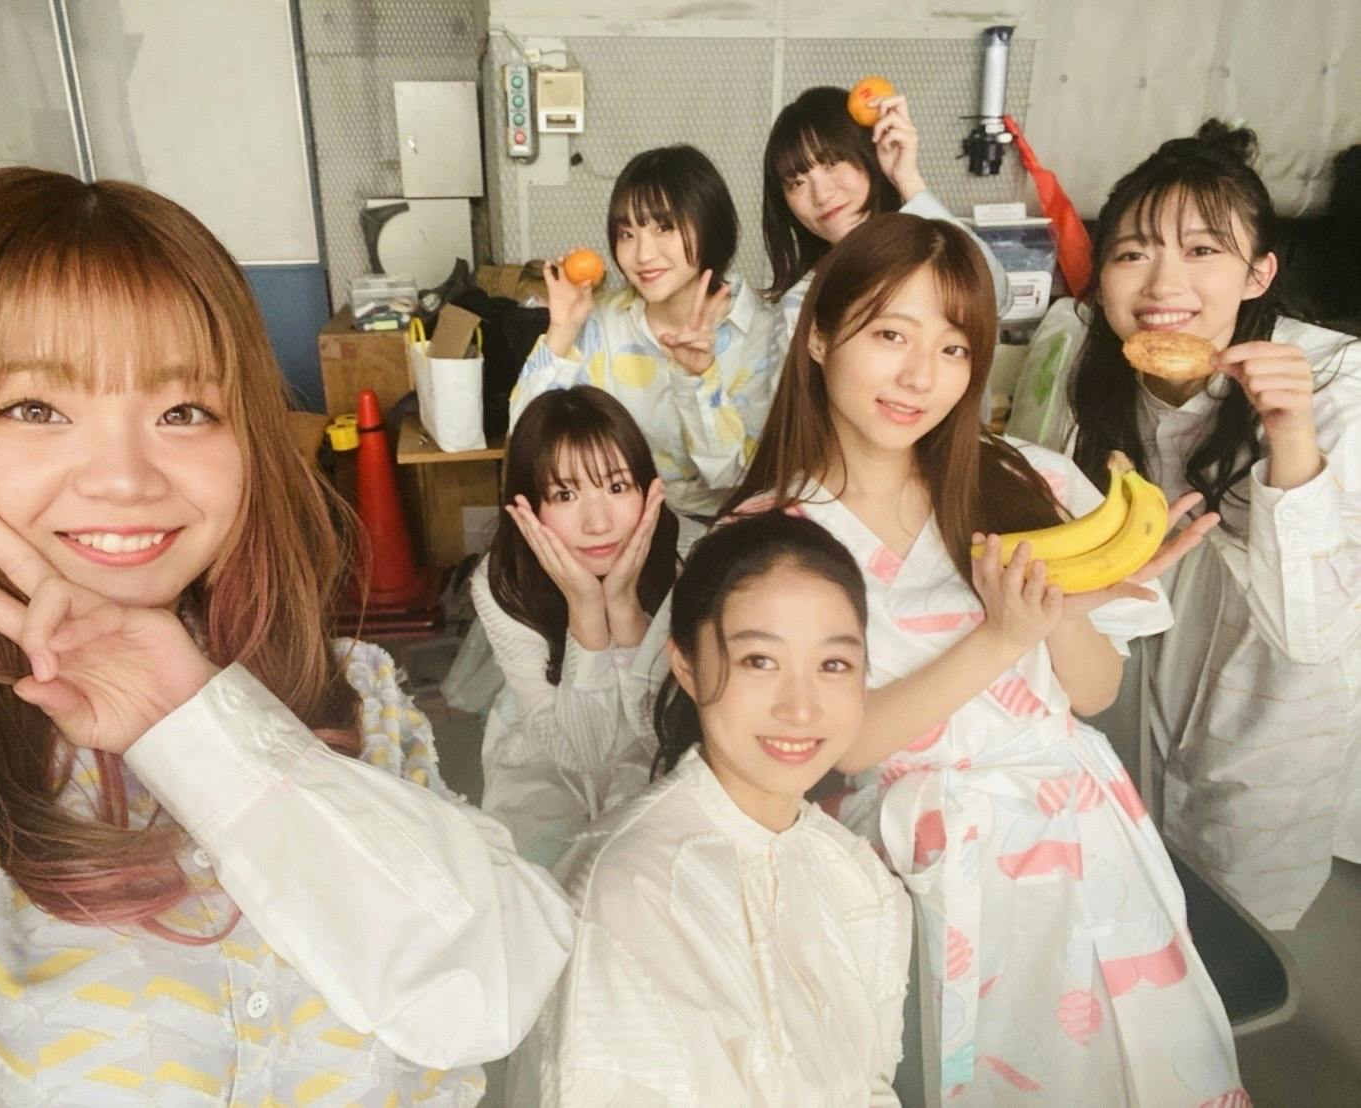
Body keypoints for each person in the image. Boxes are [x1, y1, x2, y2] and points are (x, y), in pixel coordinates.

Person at [0, 168, 573, 1103]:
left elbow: (496, 991)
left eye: (184, 412)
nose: (126, 478)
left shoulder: (356, 695)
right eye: (37, 409)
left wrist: (204, 733)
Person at [644, 212, 1242, 1103]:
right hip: (906, 866)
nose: (922, 377)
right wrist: (1003, 636)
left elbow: (1093, 691)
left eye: (955, 348)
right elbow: (839, 744)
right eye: (891, 335)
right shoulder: (768, 537)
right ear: (819, 337)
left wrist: (1059, 617)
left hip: (1080, 839)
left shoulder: (1028, 481)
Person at [1050, 120, 1360, 930]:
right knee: (1140, 894)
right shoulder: (1098, 367)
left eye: (1201, 251)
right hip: (1151, 664)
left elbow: (1314, 631)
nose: (1163, 283)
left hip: (1277, 702)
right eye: (1133, 252)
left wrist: (1291, 436)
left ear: (1259, 272)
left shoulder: (1338, 386)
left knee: (1240, 915)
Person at [510, 511, 911, 1105]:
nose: (800, 708)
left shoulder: (858, 876)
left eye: (833, 665)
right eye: (759, 661)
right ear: (687, 666)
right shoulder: (628, 889)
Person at [474, 386, 686, 865]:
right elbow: (584, 756)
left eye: (617, 487)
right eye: (565, 494)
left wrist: (626, 610)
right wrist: (586, 611)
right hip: (550, 754)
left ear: (647, 487)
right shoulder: (501, 582)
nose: (598, 524)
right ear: (527, 504)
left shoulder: (686, 559)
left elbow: (663, 735)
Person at [511, 144, 776, 518]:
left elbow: (732, 476)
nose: (642, 255)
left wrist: (697, 380)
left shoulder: (762, 332)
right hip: (623, 522)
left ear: (710, 225)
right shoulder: (605, 322)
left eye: (664, 227)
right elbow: (526, 443)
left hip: (730, 525)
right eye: (627, 234)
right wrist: (563, 328)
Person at [762, 85, 1014, 373]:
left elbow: (995, 299)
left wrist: (907, 178)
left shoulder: (930, 256)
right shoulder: (800, 307)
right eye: (796, 182)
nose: (821, 194)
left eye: (832, 163)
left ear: (869, 152)